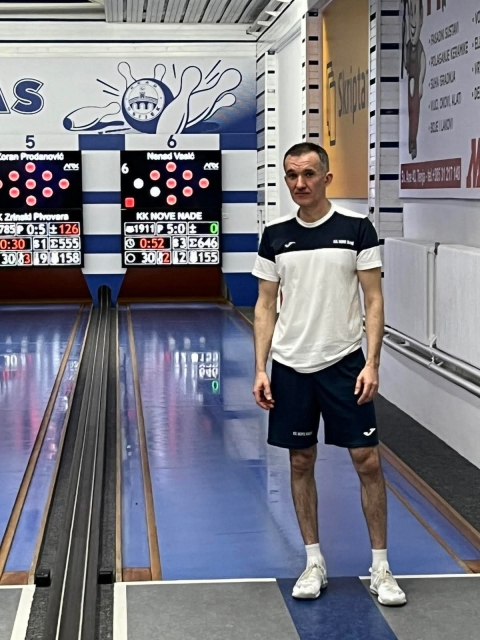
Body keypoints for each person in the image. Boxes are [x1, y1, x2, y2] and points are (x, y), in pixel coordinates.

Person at [251, 142, 406, 607]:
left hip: (344, 364)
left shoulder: (357, 229)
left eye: (309, 174)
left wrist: (372, 362)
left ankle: (381, 568)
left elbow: (373, 300)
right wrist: (260, 368)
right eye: (292, 175)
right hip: (291, 368)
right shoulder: (275, 235)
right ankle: (313, 562)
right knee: (300, 462)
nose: (300, 183)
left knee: (368, 462)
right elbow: (264, 305)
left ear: (327, 178)